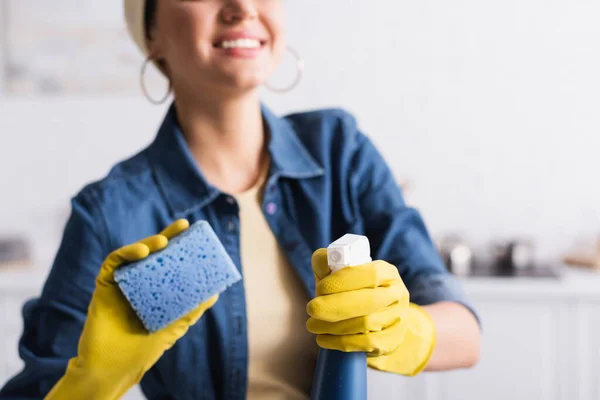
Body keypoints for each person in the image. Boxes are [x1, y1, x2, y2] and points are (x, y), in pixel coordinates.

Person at [0, 1, 481, 399]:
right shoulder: (111, 211)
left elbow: (465, 335)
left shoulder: (339, 151)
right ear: (151, 34)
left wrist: (400, 330)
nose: (242, 8)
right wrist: (91, 381)